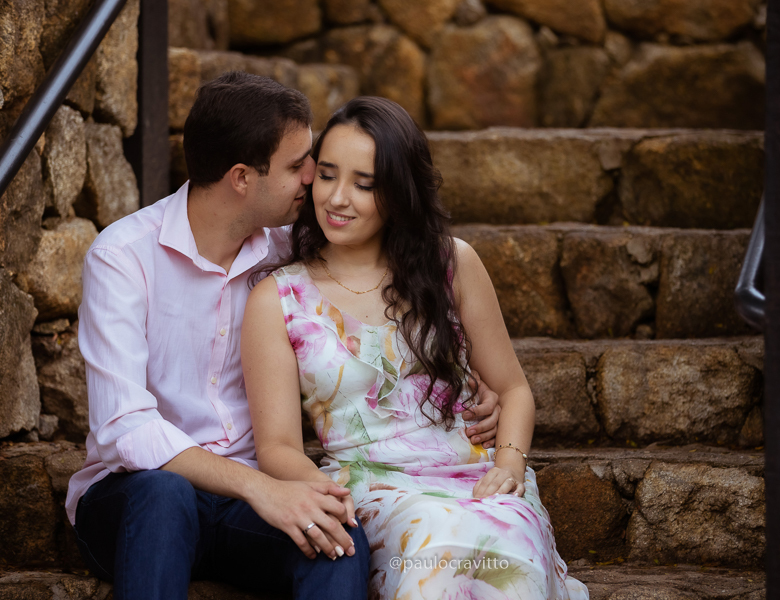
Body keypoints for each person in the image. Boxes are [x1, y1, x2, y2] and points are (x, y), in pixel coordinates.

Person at [64, 73, 500, 600]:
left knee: (340, 540)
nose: (313, 178)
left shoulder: (292, 249)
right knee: (164, 495)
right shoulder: (123, 257)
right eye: (299, 165)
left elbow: (386, 270)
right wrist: (261, 487)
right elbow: (125, 429)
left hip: (249, 506)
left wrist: (460, 377)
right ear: (242, 178)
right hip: (135, 500)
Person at [242, 96, 589, 599]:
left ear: (399, 193)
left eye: (364, 184)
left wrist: (510, 465)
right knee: (433, 534)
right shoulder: (278, 298)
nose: (338, 198)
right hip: (367, 488)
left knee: (506, 538)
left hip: (473, 473)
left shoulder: (452, 264)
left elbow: (513, 389)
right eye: (327, 175)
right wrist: (333, 499)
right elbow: (275, 448)